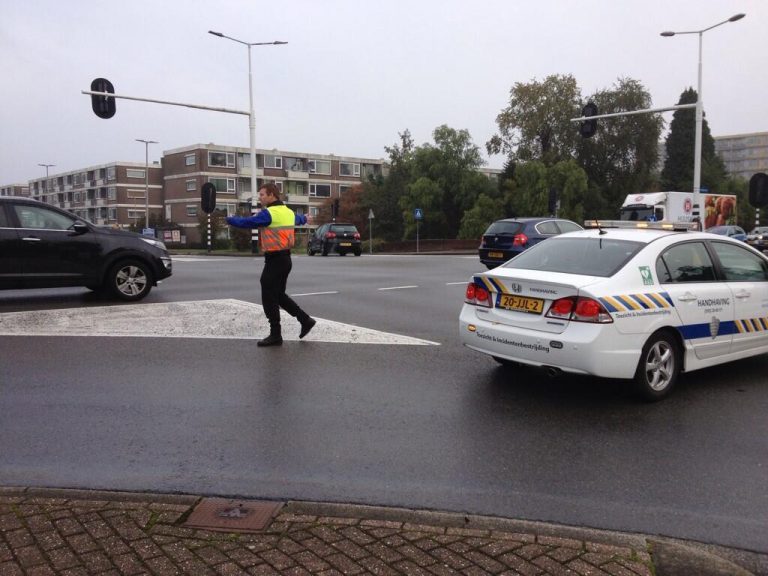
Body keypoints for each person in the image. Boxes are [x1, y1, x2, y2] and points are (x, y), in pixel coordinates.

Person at [226, 183, 316, 347]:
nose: (259, 197)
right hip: (285, 260)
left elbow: (248, 223)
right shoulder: (287, 212)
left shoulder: (269, 213)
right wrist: (305, 219)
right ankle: (305, 320)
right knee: (279, 295)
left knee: (268, 295)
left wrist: (229, 219)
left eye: (262, 194)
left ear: (272, 195)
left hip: (275, 260)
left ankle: (276, 334)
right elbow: (298, 219)